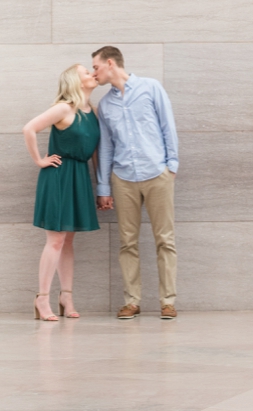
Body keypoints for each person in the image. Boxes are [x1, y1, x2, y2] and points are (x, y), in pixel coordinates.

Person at [93, 46, 179, 320]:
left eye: (95, 67)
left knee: (165, 240)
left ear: (109, 63)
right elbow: (105, 148)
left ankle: (167, 302)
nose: (94, 73)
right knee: (127, 242)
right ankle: (132, 301)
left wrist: (171, 166)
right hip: (124, 179)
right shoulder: (106, 105)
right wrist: (103, 187)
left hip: (157, 174)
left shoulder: (151, 88)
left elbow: (168, 126)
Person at [23, 63, 100, 321]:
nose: (92, 74)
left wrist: (100, 184)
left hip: (79, 176)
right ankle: (42, 299)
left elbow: (96, 151)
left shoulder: (93, 111)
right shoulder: (64, 108)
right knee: (55, 240)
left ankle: (66, 296)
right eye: (86, 73)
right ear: (75, 82)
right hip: (58, 176)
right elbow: (29, 128)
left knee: (68, 241)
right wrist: (39, 160)